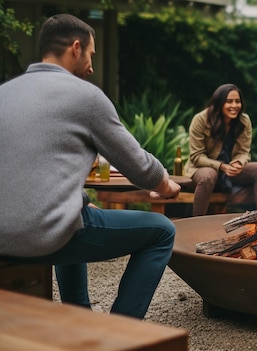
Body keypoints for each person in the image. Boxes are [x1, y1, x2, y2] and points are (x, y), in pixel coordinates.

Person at [0, 14, 181, 319]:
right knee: (162, 231)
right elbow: (138, 165)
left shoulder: (5, 93)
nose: (92, 66)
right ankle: (119, 332)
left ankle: (78, 316)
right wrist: (165, 184)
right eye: (91, 55)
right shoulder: (85, 96)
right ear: (75, 48)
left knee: (78, 212)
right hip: (41, 235)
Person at [184, 83, 257, 216]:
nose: (234, 106)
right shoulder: (201, 119)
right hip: (202, 170)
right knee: (208, 175)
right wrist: (221, 166)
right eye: (229, 101)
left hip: (231, 171)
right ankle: (197, 223)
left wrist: (239, 163)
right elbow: (196, 156)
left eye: (237, 101)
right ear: (219, 103)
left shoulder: (244, 121)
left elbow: (244, 152)